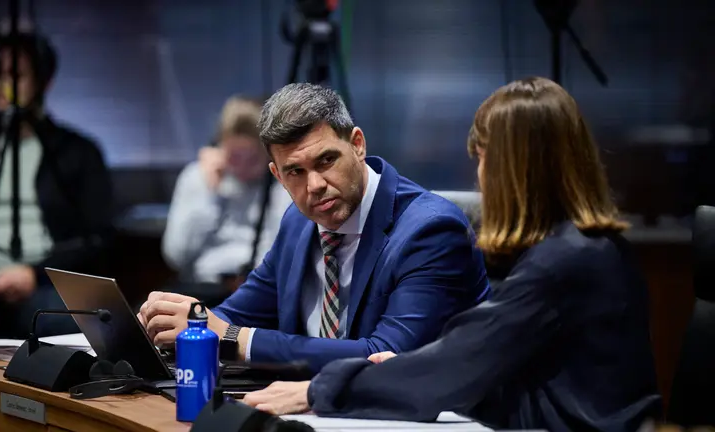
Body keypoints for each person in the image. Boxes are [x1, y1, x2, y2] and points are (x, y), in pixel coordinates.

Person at [241, 77, 662, 431]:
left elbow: (457, 367)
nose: (479, 174)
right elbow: (484, 367)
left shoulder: (565, 261)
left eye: (482, 157)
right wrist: (404, 369)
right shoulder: (582, 248)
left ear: (511, 166)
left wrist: (317, 390)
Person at [138, 83, 489, 373]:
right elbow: (236, 314)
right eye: (295, 171)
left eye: (326, 160)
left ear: (357, 145)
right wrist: (184, 321)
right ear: (277, 175)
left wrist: (234, 339)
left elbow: (388, 356)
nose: (315, 185)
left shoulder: (430, 230)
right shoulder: (298, 221)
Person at [0, 31, 113, 347]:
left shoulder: (77, 152)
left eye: (15, 75)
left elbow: (98, 238)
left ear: (43, 82)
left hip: (42, 281)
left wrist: (33, 274)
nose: (0, 85)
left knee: (57, 320)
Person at [162, 95, 292, 299]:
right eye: (234, 156)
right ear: (220, 145)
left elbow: (285, 253)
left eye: (252, 159)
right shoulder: (197, 177)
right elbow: (176, 256)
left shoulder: (282, 183)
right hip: (204, 288)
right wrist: (209, 195)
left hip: (261, 288)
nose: (242, 167)